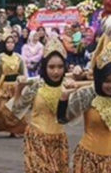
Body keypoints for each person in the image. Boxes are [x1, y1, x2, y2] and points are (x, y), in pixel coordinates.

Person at [57, 42, 111, 173]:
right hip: (89, 161)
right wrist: (63, 99)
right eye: (107, 81)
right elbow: (63, 118)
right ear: (99, 78)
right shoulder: (87, 94)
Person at [11, 38, 70, 173]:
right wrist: (18, 89)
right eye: (51, 67)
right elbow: (16, 110)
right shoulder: (36, 85)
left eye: (60, 67)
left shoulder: (68, 85)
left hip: (59, 142)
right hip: (37, 140)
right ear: (44, 67)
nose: (56, 72)